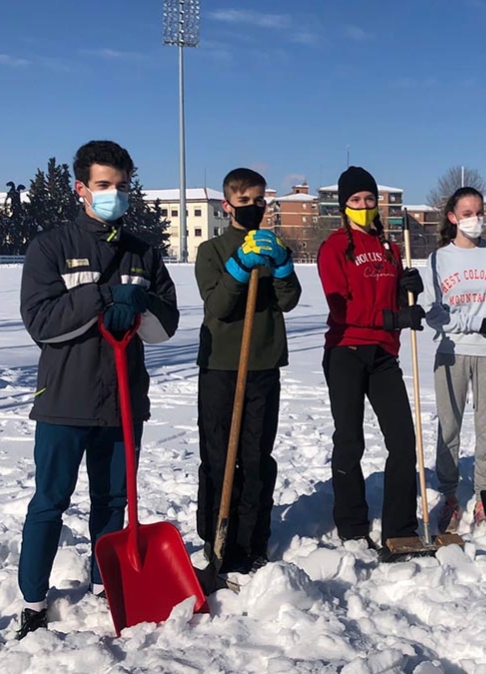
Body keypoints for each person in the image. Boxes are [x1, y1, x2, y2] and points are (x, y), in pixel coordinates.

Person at [15, 140, 179, 638]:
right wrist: (102, 296)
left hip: (123, 402)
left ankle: (111, 584)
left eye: (122, 187)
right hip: (65, 399)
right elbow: (41, 323)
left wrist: (142, 303)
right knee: (50, 500)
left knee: (113, 501)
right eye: (104, 186)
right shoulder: (51, 247)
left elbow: (165, 327)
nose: (114, 195)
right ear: (81, 189)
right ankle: (33, 600)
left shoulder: (143, 253)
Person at [194, 167, 301, 575]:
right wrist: (240, 267)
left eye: (260, 201)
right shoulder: (212, 251)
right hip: (222, 364)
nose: (255, 208)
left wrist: (283, 265)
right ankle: (216, 536)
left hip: (264, 362)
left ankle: (252, 541)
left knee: (257, 457)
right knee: (220, 457)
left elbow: (289, 301)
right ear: (228, 205)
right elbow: (219, 307)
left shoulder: (274, 247)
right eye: (245, 202)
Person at [316, 166, 426, 550]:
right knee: (350, 440)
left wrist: (409, 293)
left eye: (368, 199)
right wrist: (394, 317)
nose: (364, 206)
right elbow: (342, 309)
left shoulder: (391, 249)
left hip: (383, 354)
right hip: (345, 350)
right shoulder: (333, 248)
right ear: (343, 205)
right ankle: (352, 524)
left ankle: (400, 527)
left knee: (402, 439)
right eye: (355, 200)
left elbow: (396, 302)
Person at [422, 186, 486, 532]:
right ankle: (448, 496)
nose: (475, 219)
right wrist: (477, 322)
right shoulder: (438, 260)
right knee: (449, 428)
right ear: (452, 218)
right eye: (467, 214)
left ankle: (485, 495)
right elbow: (434, 315)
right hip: (452, 352)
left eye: (479, 212)